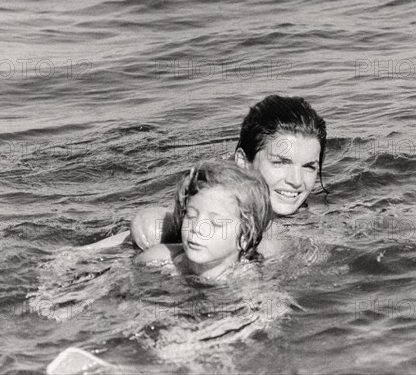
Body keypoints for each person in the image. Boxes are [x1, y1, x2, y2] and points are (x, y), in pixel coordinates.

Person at [86, 95, 327, 255]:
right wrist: (72, 258)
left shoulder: (318, 225)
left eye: (308, 167)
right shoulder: (209, 205)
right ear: (243, 162)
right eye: (281, 162)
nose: (296, 180)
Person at [134, 160, 273, 279]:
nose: (197, 227)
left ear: (244, 238)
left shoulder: (248, 284)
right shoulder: (161, 259)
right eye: (191, 216)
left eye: (215, 223)